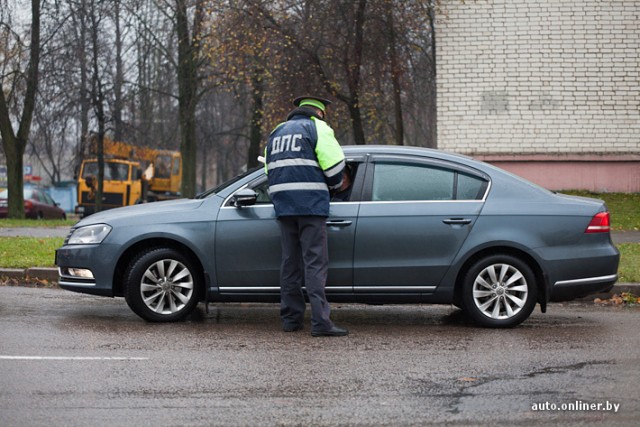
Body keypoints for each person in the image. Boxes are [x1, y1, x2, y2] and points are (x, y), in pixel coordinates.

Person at [265, 95, 349, 337]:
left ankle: (291, 320)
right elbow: (334, 169)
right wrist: (332, 187)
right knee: (314, 263)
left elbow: (268, 169)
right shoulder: (318, 128)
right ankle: (321, 323)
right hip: (311, 205)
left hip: (283, 205)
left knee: (290, 263)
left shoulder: (277, 131)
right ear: (320, 112)